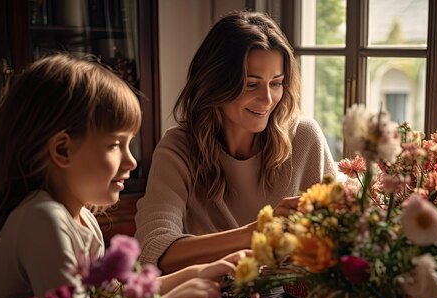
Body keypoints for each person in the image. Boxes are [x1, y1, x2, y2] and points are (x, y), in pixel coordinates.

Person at [0, 54, 243, 298]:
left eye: (130, 144)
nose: (132, 161)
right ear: (62, 149)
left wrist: (200, 272)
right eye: (115, 145)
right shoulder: (41, 219)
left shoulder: (83, 218)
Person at [135, 10, 336, 274]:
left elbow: (338, 237)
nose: (267, 99)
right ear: (216, 84)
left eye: (276, 83)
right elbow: (153, 251)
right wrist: (255, 233)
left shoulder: (304, 137)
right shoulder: (178, 148)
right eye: (251, 85)